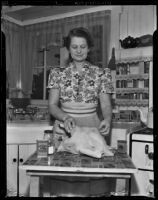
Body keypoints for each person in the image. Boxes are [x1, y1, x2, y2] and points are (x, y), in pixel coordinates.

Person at [47, 27, 115, 197]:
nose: (78, 51)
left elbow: (106, 105)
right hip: (65, 128)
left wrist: (107, 119)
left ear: (89, 48)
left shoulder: (101, 74)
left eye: (83, 47)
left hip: (91, 128)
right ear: (68, 49)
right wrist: (65, 116)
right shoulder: (57, 74)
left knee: (92, 179)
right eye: (74, 47)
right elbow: (53, 106)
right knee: (64, 180)